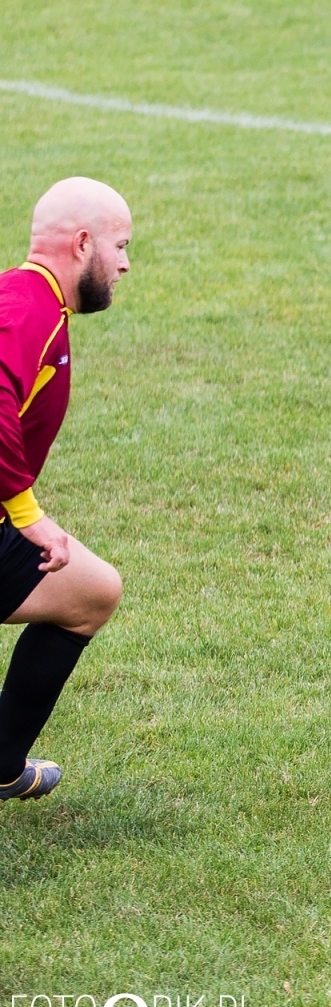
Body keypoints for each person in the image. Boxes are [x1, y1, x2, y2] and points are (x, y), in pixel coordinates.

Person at [0, 178, 130, 804]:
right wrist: (29, 516)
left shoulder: (31, 304)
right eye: (121, 246)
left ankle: (2, 762)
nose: (126, 264)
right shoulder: (26, 313)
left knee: (93, 590)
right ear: (83, 244)